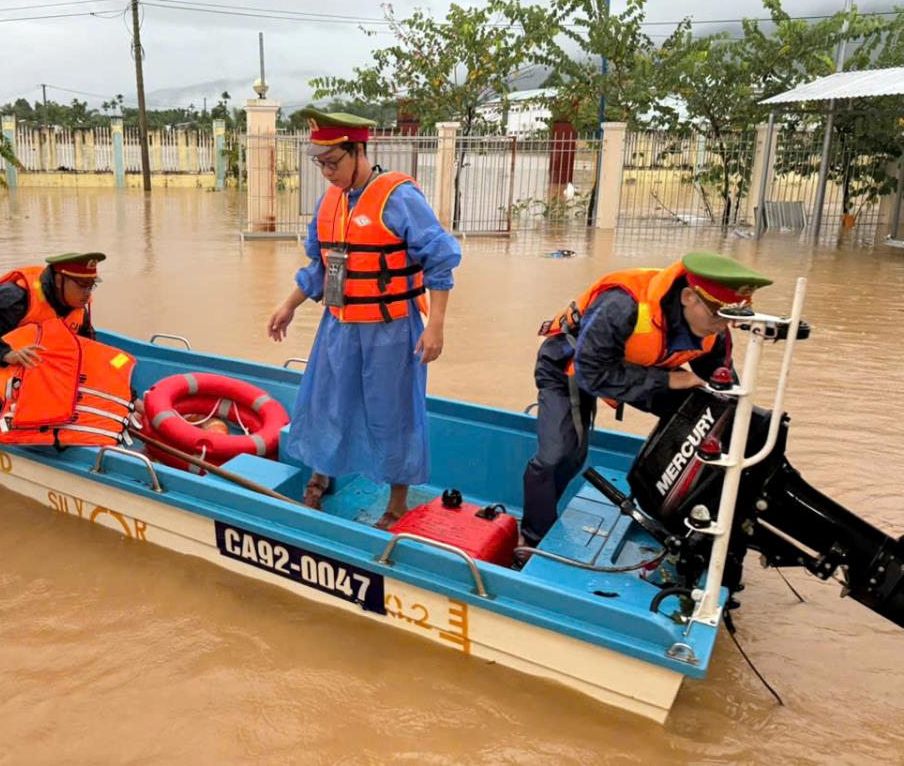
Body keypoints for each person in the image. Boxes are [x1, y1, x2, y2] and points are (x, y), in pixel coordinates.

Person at [267, 108, 461, 529]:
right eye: (320, 164)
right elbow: (320, 266)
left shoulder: (399, 198)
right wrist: (289, 305)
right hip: (339, 326)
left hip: (391, 329)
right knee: (326, 403)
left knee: (394, 412)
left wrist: (436, 326)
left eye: (333, 163)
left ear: (359, 151)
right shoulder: (330, 202)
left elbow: (440, 261)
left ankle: (396, 505)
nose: (327, 173)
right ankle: (319, 482)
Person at [520, 251, 773, 544]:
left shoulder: (714, 328)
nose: (721, 325)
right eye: (717, 313)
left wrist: (746, 429)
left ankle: (691, 515)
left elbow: (723, 385)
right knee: (560, 454)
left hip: (640, 368)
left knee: (711, 416)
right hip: (572, 368)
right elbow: (592, 374)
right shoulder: (622, 304)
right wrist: (668, 380)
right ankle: (532, 538)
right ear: (690, 296)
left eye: (729, 318)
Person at [0, 252, 104, 418]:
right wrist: (6, 354)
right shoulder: (15, 297)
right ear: (59, 280)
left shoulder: (78, 308)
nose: (88, 294)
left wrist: (130, 397)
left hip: (42, 379)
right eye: (82, 285)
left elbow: (89, 354)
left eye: (91, 286)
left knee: (88, 400)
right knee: (41, 411)